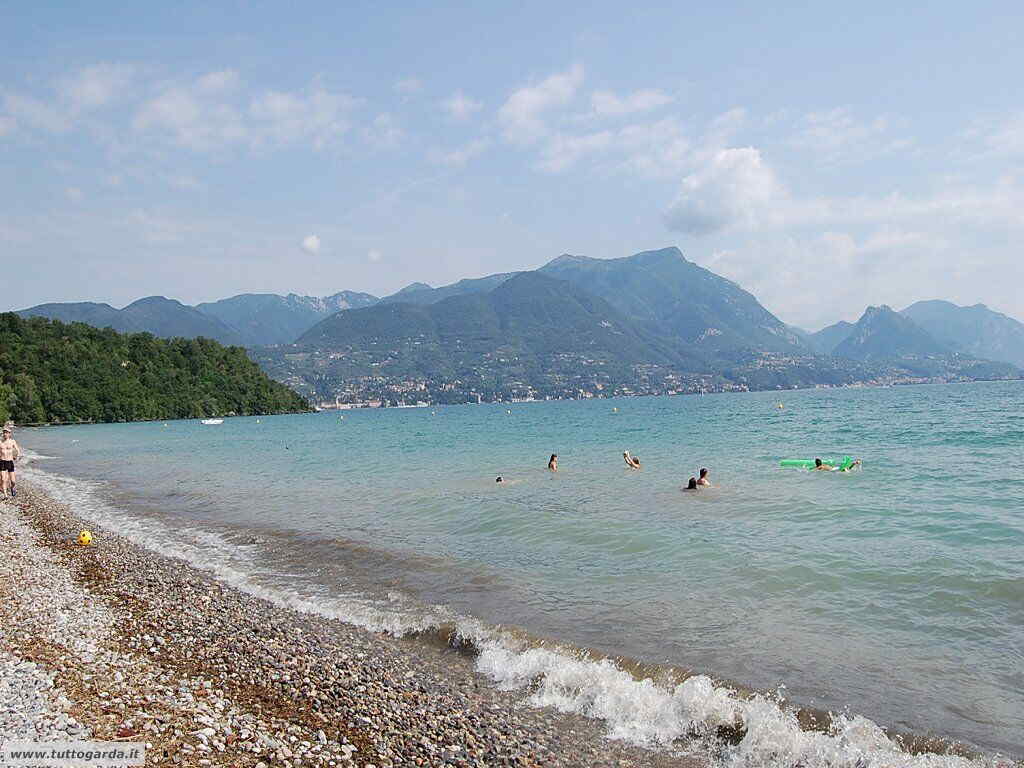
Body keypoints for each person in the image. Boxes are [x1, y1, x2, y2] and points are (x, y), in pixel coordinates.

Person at [0, 427, 21, 498]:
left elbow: (18, 450)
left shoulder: (12, 441)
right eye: (4, 432)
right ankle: (5, 495)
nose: (5, 434)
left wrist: (17, 456)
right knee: (3, 479)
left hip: (10, 462)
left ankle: (12, 488)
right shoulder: (0, 442)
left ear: (9, 434)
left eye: (6, 432)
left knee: (13, 481)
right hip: (2, 461)